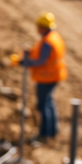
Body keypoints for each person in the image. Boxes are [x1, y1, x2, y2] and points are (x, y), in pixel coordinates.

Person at [13, 11, 68, 141]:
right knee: (49, 102)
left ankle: (45, 133)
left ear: (42, 27)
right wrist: (31, 53)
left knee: (43, 105)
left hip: (47, 76)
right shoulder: (54, 36)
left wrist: (23, 62)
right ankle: (53, 130)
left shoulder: (47, 42)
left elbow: (42, 61)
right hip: (54, 75)